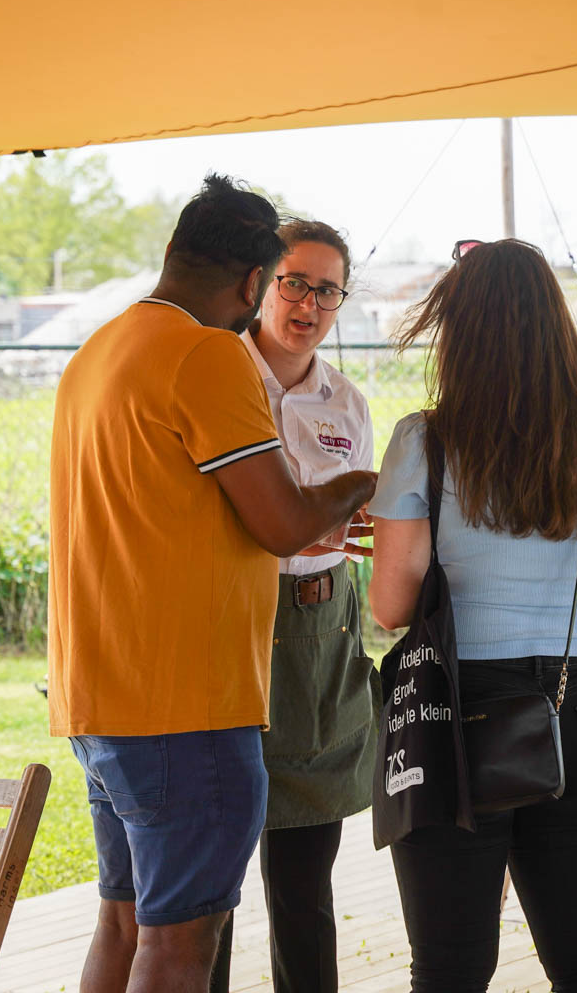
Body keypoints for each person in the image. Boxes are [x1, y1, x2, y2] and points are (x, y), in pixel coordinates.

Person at [47, 174, 376, 993]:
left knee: (124, 925)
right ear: (255, 281)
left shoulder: (100, 350)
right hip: (184, 704)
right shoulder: (208, 355)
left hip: (100, 693)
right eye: (288, 283)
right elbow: (284, 523)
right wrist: (362, 484)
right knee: (180, 947)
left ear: (172, 249)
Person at [366, 238, 577, 993]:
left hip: (454, 710)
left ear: (457, 331)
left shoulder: (424, 441)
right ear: (558, 326)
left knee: (450, 966)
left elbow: (391, 607)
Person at [210, 220, 379, 993]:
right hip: (233, 623)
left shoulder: (346, 402)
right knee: (208, 882)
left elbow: (349, 522)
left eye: (328, 290)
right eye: (296, 283)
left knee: (305, 885)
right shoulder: (217, 377)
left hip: (323, 627)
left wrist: (340, 527)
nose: (309, 304)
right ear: (260, 284)